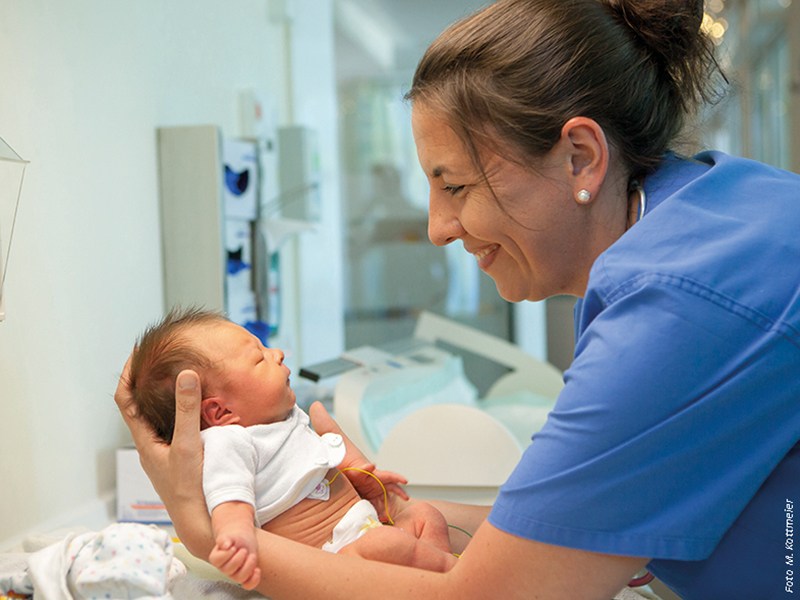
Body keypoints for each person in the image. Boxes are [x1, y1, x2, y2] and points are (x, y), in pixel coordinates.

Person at [115, 0, 800, 598]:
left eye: (456, 187)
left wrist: (209, 537)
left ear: (581, 158)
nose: (438, 228)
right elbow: (556, 535)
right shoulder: (715, 211)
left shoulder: (671, 310)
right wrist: (382, 507)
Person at [127, 307, 455, 588]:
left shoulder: (283, 420)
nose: (278, 353)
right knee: (390, 544)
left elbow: (316, 462)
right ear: (221, 412)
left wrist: (360, 475)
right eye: (259, 357)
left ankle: (441, 571)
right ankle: (451, 580)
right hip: (337, 555)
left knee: (426, 516)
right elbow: (230, 498)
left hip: (368, 527)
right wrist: (235, 536)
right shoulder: (230, 442)